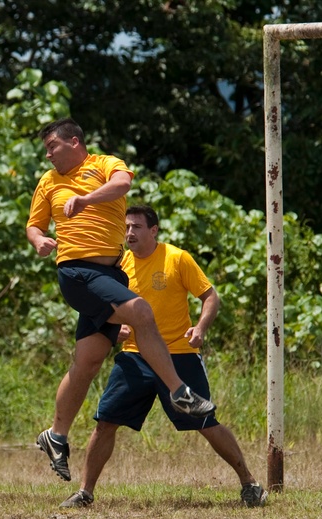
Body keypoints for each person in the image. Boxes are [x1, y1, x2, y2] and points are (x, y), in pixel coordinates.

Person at [26, 118, 214, 482]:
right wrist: (40, 242)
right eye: (46, 148)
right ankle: (180, 392)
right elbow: (35, 225)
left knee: (88, 360)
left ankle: (55, 436)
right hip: (77, 273)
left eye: (52, 145)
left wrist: (85, 199)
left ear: (75, 142)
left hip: (110, 274)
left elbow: (123, 184)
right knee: (141, 311)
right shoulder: (48, 182)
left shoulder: (103, 164)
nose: (48, 154)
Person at [59, 206, 267, 509]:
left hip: (179, 356)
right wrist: (110, 328)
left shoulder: (176, 258)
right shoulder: (119, 265)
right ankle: (85, 492)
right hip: (134, 358)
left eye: (137, 227)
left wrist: (201, 327)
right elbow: (99, 305)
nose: (129, 233)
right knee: (106, 422)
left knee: (205, 422)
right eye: (126, 227)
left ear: (154, 230)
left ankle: (249, 483)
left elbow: (210, 296)